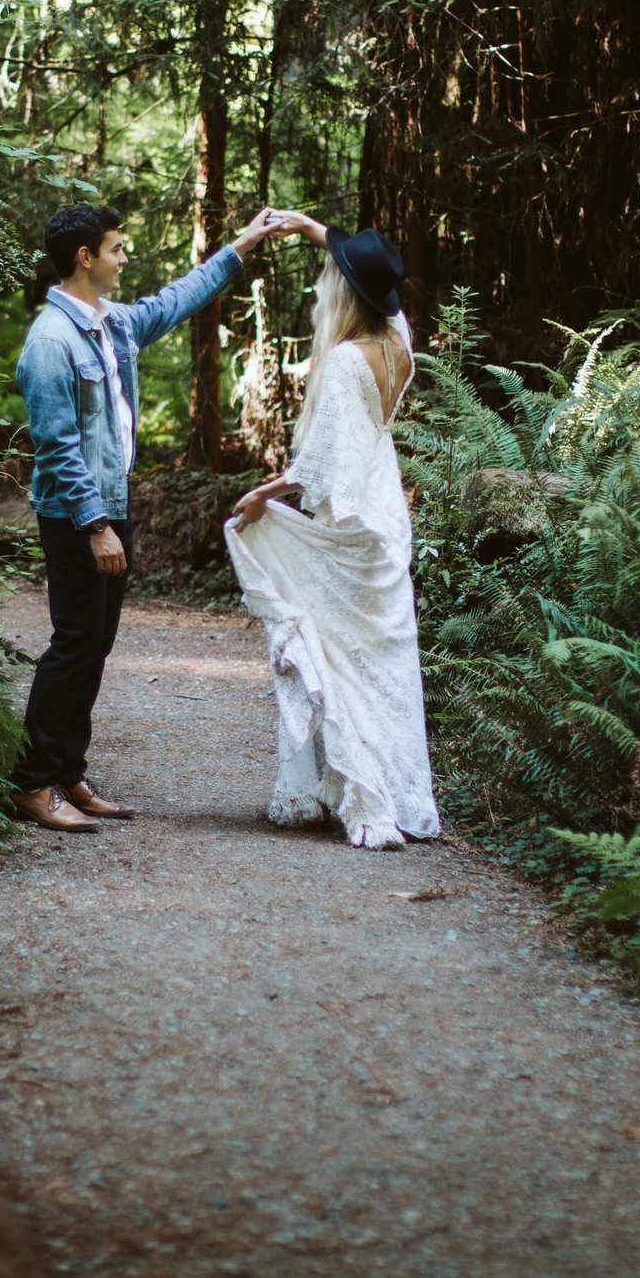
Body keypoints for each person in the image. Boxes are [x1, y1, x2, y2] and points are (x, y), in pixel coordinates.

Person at [10, 200, 293, 832]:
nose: (124, 256)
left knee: (96, 644)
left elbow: (179, 295)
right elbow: (55, 447)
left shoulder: (113, 325)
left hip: (111, 506)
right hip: (75, 514)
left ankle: (66, 771)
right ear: (85, 257)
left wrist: (243, 242)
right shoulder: (50, 344)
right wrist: (94, 525)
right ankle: (31, 781)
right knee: (75, 641)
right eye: (116, 247)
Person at [223, 218, 439, 851]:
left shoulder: (345, 360)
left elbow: (325, 464)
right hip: (387, 509)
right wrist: (312, 229)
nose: (322, 290)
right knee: (384, 661)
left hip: (354, 520)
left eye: (330, 280)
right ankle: (401, 797)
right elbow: (376, 274)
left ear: (346, 294)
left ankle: (363, 794)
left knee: (341, 657)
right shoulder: (400, 342)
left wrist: (265, 495)